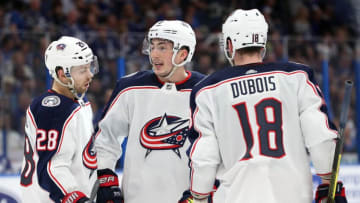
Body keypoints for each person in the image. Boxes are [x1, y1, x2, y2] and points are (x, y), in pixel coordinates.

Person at [187, 9, 347, 203]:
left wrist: (199, 197)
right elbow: (321, 138)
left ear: (230, 44)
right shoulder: (296, 77)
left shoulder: (207, 90)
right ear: (262, 42)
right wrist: (329, 184)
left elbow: (204, 158)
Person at [94, 20, 205, 203]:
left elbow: (216, 149)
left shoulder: (205, 92)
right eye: (152, 47)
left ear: (183, 53)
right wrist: (106, 177)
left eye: (162, 48)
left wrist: (200, 194)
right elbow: (105, 139)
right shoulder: (130, 87)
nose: (154, 54)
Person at [20, 36, 99, 203]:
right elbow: (51, 168)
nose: (90, 74)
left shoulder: (75, 103)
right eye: (82, 70)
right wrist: (75, 198)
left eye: (90, 67)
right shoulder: (53, 108)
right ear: (62, 75)